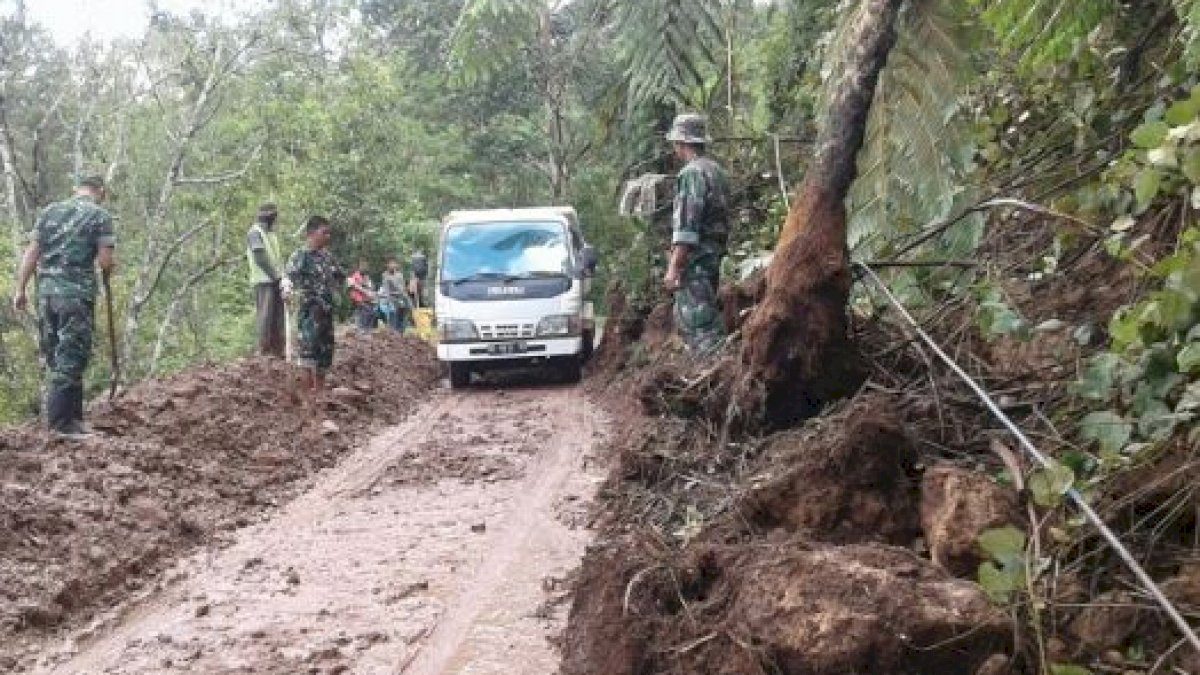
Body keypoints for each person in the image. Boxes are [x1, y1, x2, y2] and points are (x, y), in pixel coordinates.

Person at [12, 174, 116, 438]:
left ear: (76, 189)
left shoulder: (50, 212)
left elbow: (32, 253)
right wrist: (111, 269)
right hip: (75, 296)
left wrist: (20, 289)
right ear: (100, 191)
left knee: (58, 354)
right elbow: (105, 261)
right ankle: (61, 425)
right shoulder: (99, 216)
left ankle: (74, 419)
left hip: (46, 295)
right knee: (72, 356)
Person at [662, 113, 731, 355]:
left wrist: (674, 267)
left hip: (696, 263)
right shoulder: (716, 171)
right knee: (709, 316)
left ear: (682, 143)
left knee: (699, 324)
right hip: (714, 257)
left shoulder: (691, 174)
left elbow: (686, 228)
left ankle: (711, 374)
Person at [281, 215, 345, 396]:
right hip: (309, 314)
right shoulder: (300, 256)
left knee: (325, 355)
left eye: (328, 233)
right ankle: (308, 398)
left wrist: (336, 293)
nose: (328, 237)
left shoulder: (327, 257)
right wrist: (286, 290)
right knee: (307, 355)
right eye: (324, 233)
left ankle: (320, 395)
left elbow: (340, 276)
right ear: (311, 233)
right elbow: (288, 277)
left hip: (327, 314)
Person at [246, 202, 285, 357]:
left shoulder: (271, 234)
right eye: (271, 214)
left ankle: (277, 350)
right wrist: (276, 277)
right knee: (266, 316)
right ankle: (263, 351)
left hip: (276, 280)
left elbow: (276, 258)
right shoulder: (254, 233)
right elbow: (260, 258)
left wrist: (282, 277)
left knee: (278, 317)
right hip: (263, 280)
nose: (273, 217)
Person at [377, 257, 410, 332]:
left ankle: (401, 334)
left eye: (394, 263)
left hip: (401, 299)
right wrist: (387, 300)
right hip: (392, 300)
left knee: (402, 321)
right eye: (390, 263)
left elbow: (402, 288)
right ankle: (394, 335)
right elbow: (386, 289)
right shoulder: (385, 275)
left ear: (397, 265)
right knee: (393, 321)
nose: (392, 265)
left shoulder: (400, 275)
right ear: (387, 265)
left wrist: (404, 297)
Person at [347, 259, 376, 331]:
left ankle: (367, 330)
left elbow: (371, 287)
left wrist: (371, 292)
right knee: (364, 313)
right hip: (358, 299)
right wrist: (365, 291)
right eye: (362, 265)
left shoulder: (366, 277)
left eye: (365, 265)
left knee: (370, 313)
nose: (364, 267)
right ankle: (361, 330)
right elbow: (353, 285)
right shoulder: (354, 276)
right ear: (359, 266)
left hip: (367, 299)